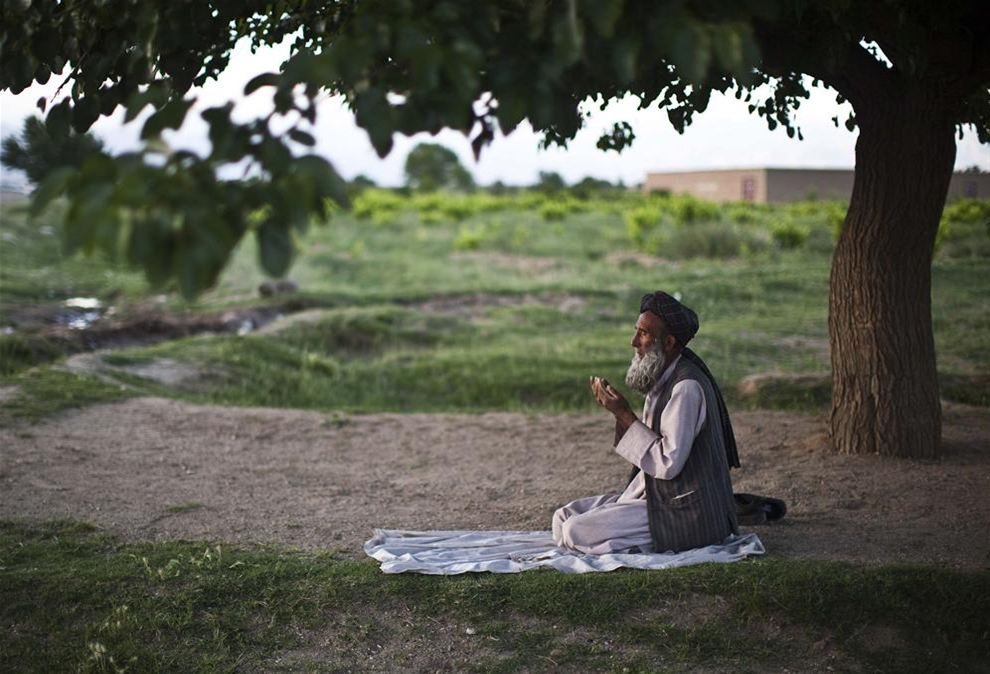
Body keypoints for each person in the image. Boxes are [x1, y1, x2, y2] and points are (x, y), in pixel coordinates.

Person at [552, 291, 740, 554]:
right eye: (636, 331)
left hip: (685, 511)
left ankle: (645, 542)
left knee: (575, 531)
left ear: (669, 341)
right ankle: (626, 538)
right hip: (655, 496)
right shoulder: (662, 378)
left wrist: (625, 415)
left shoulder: (686, 388)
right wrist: (621, 415)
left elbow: (668, 463)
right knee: (562, 517)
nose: (634, 342)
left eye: (643, 334)